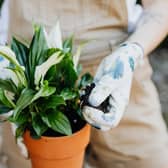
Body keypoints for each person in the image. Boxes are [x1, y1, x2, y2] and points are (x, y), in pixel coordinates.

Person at [0, 0, 168, 168]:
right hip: (27, 69)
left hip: (114, 69)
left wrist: (131, 53)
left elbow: (160, 6)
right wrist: (7, 71)